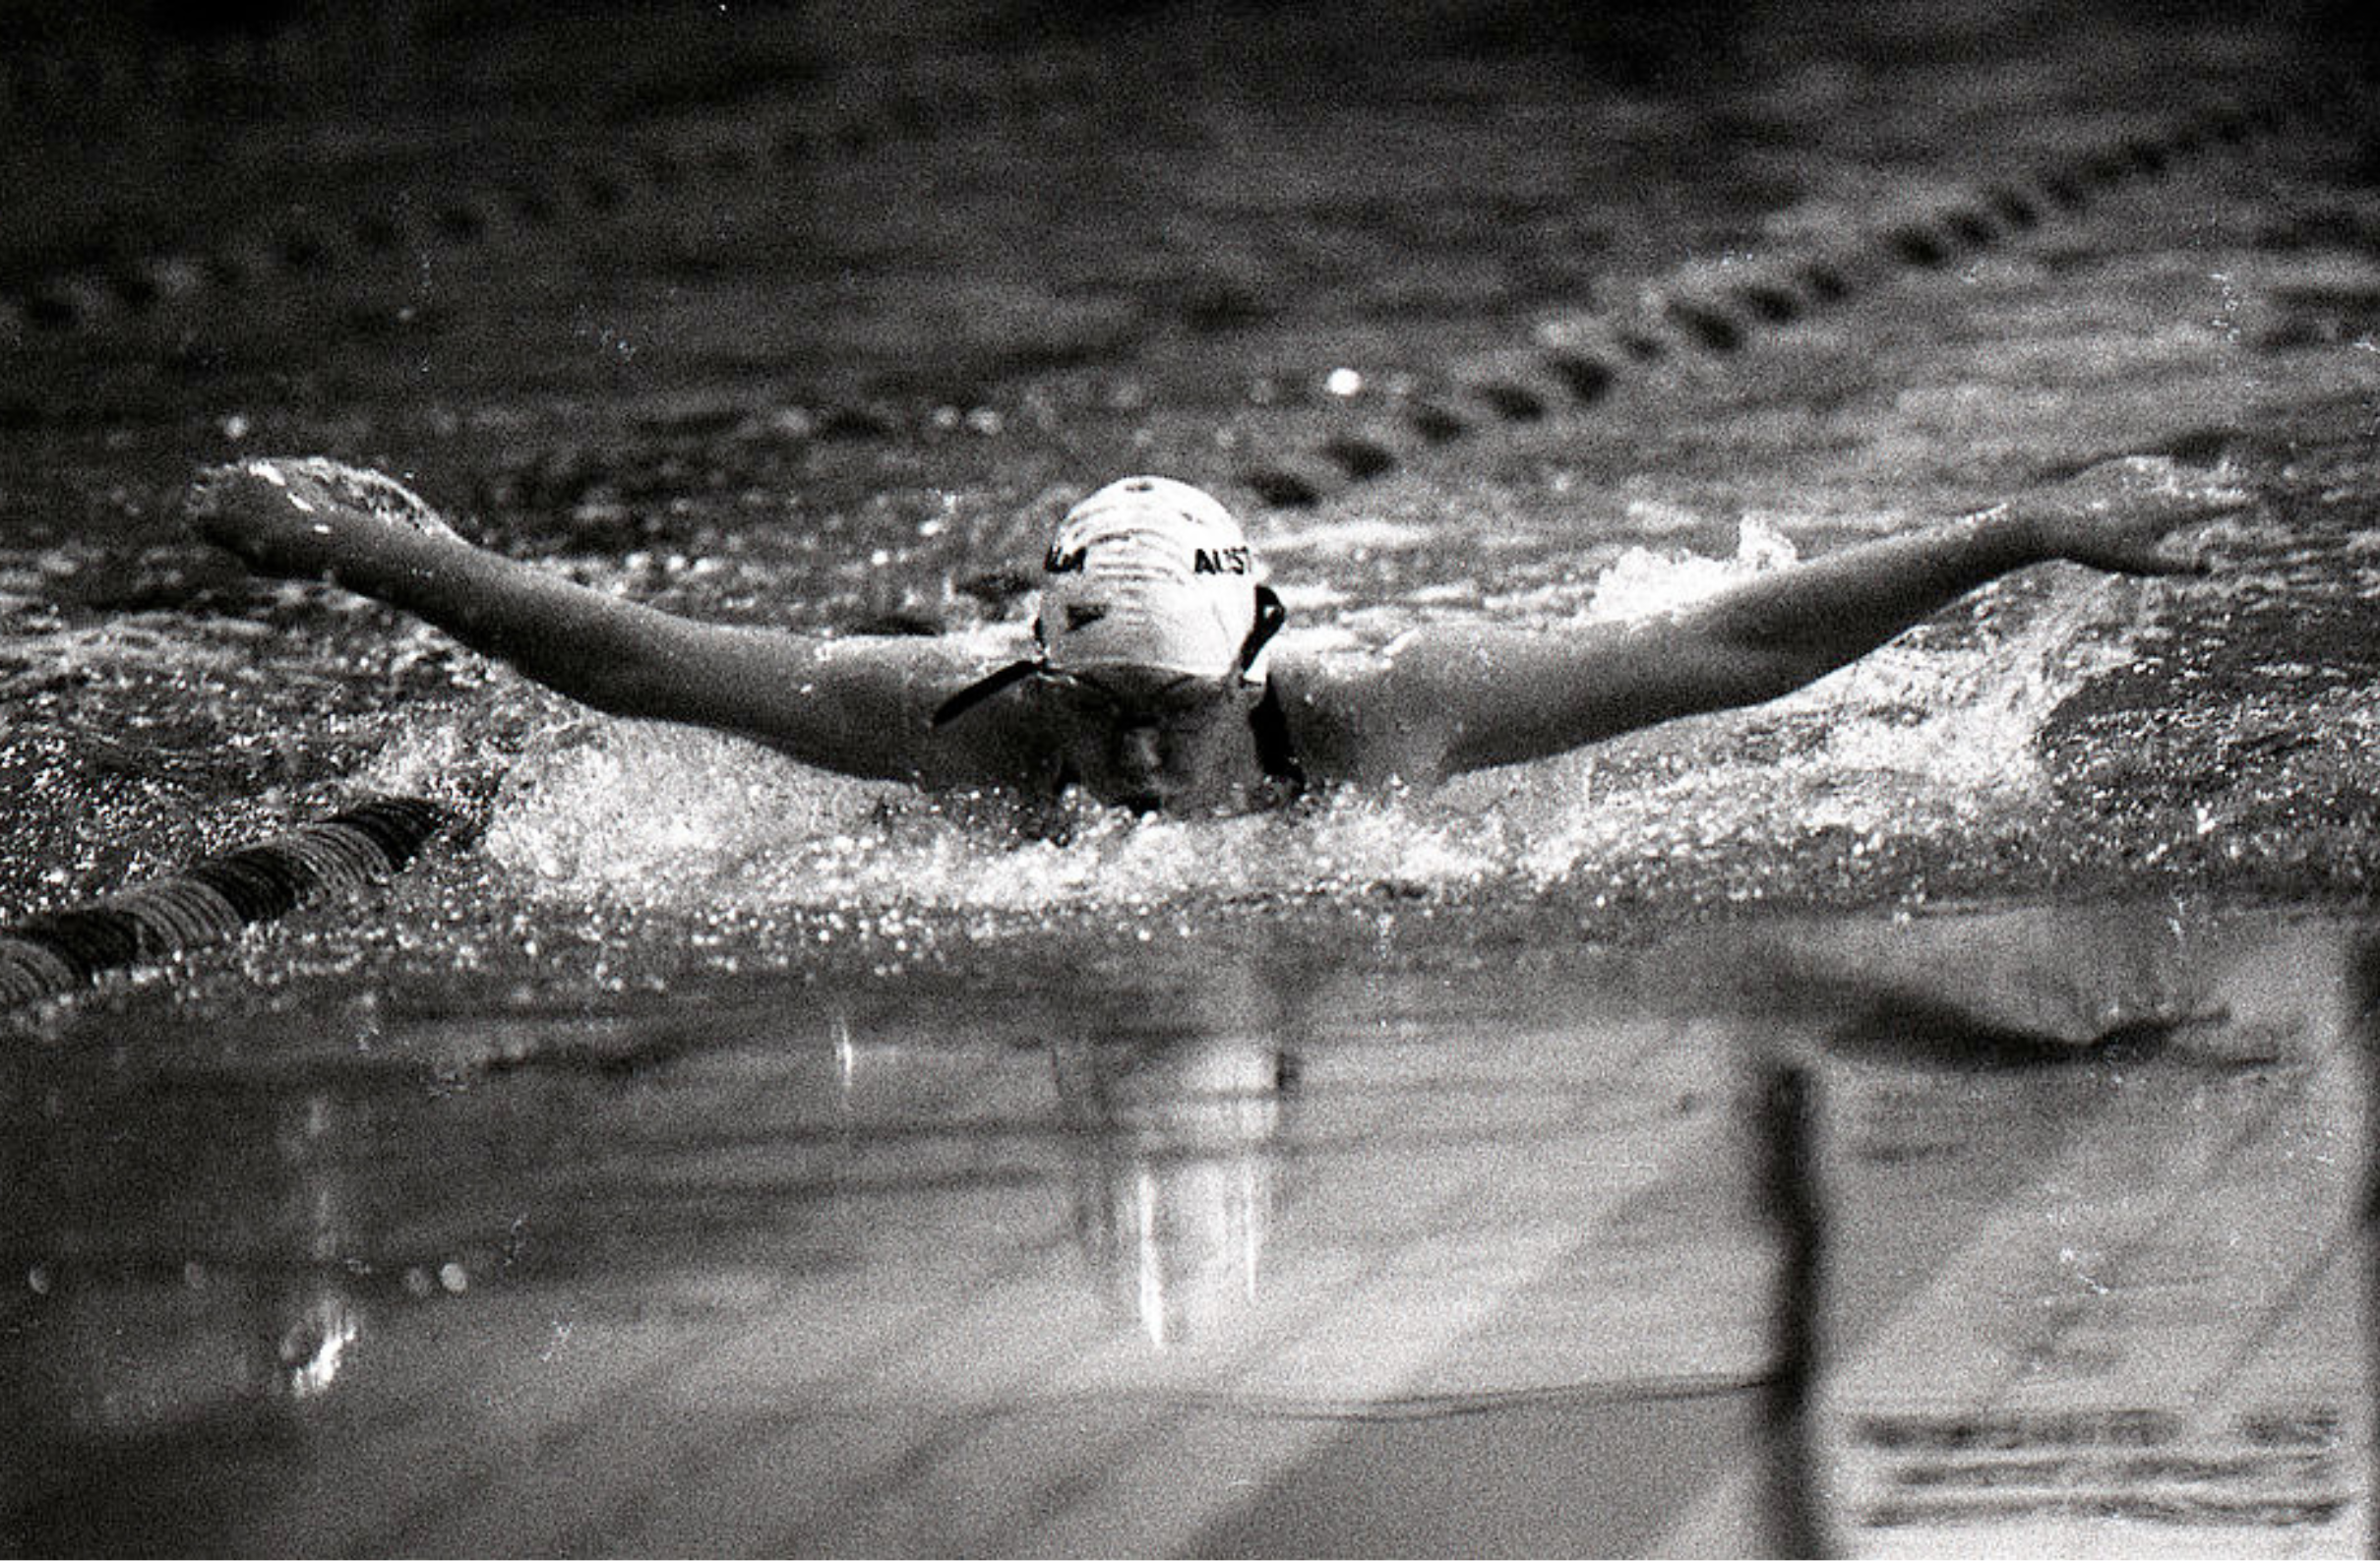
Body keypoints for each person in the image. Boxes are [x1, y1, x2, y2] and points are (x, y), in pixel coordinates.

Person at [185, 453, 2246, 818]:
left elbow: (1720, 650)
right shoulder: (970, 721)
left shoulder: (1367, 717)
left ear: (1248, 672)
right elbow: (642, 655)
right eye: (1100, 713)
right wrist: (383, 563)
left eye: (1167, 715)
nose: (1127, 763)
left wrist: (2016, 533)